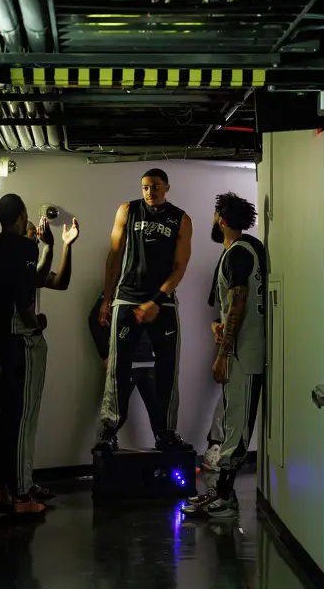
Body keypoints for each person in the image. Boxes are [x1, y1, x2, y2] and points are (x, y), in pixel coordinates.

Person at [0, 195, 76, 514]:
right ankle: (22, 495)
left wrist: (56, 247)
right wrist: (35, 326)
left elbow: (48, 280)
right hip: (19, 343)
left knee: (7, 419)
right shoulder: (21, 249)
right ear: (22, 216)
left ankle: (1, 486)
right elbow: (24, 300)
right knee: (23, 419)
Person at [95, 168, 194, 453]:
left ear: (167, 187)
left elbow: (180, 267)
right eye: (146, 187)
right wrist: (106, 298)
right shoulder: (128, 210)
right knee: (117, 367)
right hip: (126, 298)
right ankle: (109, 431)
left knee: (167, 369)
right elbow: (114, 255)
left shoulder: (181, 219)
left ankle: (166, 433)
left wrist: (156, 300)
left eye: (156, 187)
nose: (150, 192)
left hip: (162, 302)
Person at [183, 192, 265, 519]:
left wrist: (223, 352)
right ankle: (221, 493)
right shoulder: (245, 249)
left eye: (215, 214)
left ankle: (225, 497)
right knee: (233, 421)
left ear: (222, 219)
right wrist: (219, 324)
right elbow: (229, 307)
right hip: (244, 349)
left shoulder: (238, 254)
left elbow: (240, 304)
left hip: (244, 354)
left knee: (236, 426)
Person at [88, 292, 161, 444]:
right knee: (115, 411)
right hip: (124, 360)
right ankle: (106, 444)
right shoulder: (118, 291)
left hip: (150, 360)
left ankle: (164, 444)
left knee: (159, 411)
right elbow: (94, 320)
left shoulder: (156, 293)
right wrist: (105, 354)